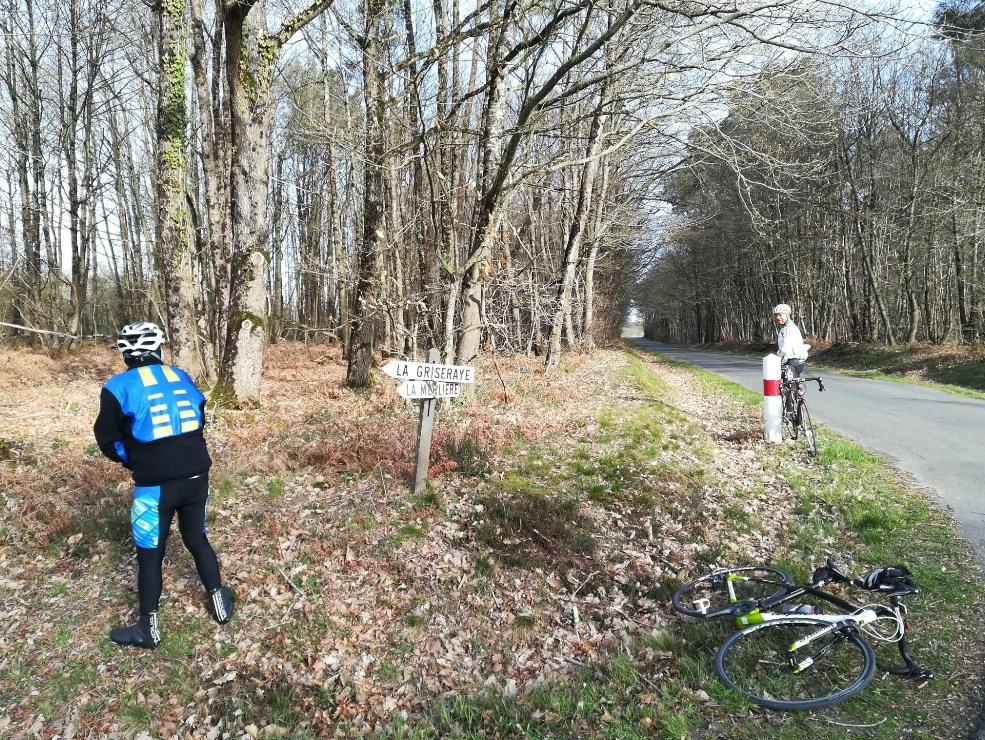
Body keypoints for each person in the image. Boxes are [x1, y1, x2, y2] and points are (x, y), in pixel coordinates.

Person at [93, 321, 233, 649]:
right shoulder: (181, 376)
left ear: (125, 353)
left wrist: (135, 460)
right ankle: (220, 604)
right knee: (197, 539)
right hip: (198, 476)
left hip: (154, 487)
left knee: (150, 556)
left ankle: (147, 629)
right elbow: (199, 416)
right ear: (158, 349)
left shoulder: (117, 387)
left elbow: (107, 439)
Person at [772, 303, 809, 378]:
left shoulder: (789, 328)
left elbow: (786, 346)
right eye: (776, 315)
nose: (778, 317)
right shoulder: (784, 328)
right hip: (790, 360)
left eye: (780, 315)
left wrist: (780, 358)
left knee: (791, 387)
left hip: (793, 361)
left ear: (787, 315)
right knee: (785, 386)